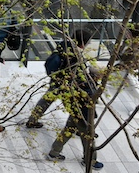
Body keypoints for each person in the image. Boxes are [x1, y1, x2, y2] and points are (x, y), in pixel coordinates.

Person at [46, 30, 103, 169]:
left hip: (73, 103)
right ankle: (91, 160)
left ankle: (54, 152)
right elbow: (89, 97)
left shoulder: (67, 49)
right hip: (83, 110)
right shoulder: (88, 83)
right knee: (87, 137)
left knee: (69, 129)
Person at [27, 34, 82, 129]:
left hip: (56, 79)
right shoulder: (74, 53)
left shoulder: (64, 45)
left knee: (46, 100)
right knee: (73, 106)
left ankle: (32, 120)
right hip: (65, 83)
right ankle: (78, 126)